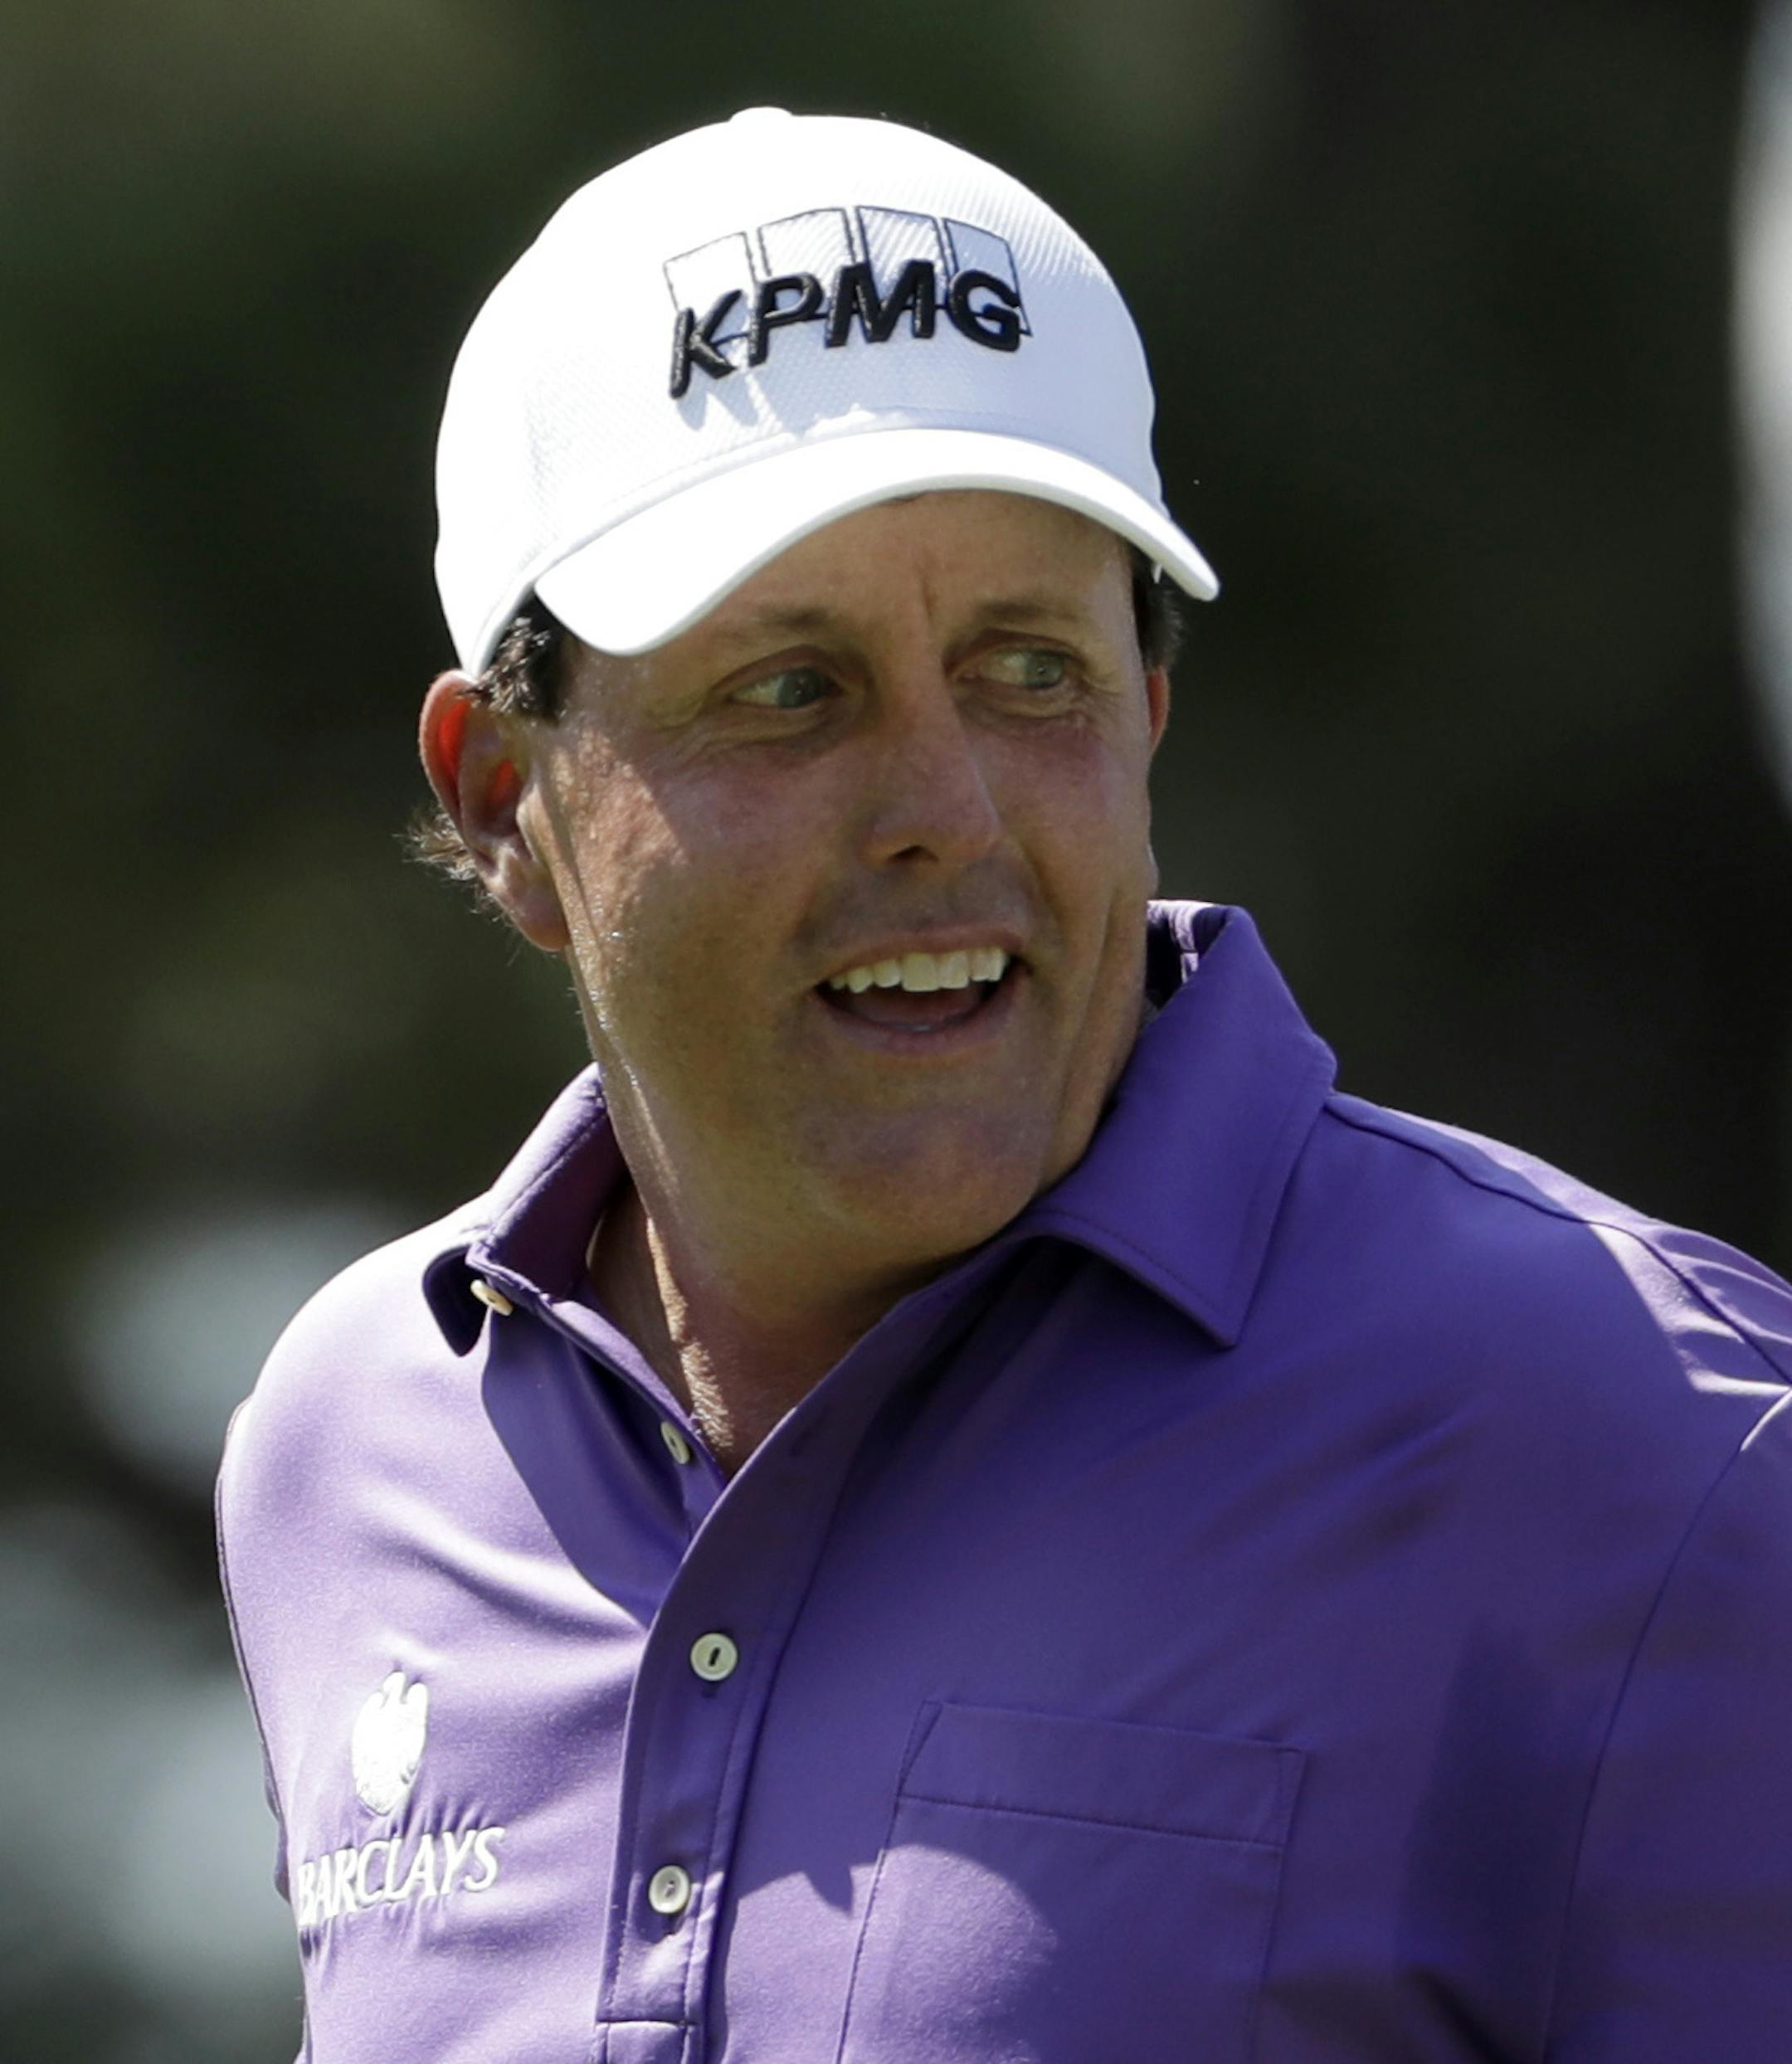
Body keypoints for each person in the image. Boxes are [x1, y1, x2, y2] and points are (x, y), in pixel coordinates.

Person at [217, 108, 1792, 2063]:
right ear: (506, 802)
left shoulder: (1661, 1446)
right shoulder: (347, 1443)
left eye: (1029, 667)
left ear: (1148, 707)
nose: (945, 810)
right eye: (790, 688)